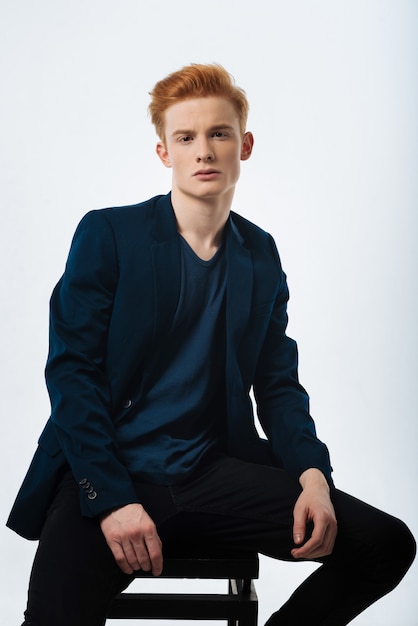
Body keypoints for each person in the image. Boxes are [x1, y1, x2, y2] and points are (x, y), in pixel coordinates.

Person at [7, 63, 415, 626]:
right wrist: (112, 500)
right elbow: (72, 374)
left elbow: (277, 385)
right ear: (163, 153)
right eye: (186, 137)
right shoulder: (108, 235)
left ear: (243, 145)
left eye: (219, 134)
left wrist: (313, 476)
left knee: (385, 545)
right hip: (115, 470)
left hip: (214, 472)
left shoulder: (260, 254)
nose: (204, 151)